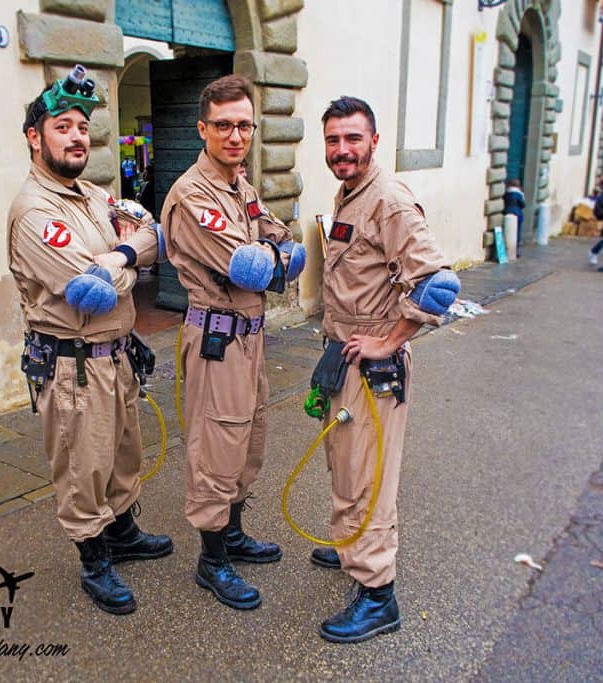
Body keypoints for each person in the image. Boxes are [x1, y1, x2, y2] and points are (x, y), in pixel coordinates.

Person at [7, 67, 172, 616]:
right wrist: (126, 260)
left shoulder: (95, 195)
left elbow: (152, 234)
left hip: (118, 356)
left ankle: (122, 533)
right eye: (62, 126)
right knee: (83, 466)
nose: (77, 136)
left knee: (124, 454)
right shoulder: (35, 211)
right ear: (36, 137)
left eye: (83, 127)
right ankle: (94, 560)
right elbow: (91, 294)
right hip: (73, 365)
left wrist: (121, 254)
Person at [310, 96, 458, 644]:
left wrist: (389, 340)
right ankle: (353, 547)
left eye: (353, 139)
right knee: (346, 466)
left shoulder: (389, 200)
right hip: (342, 356)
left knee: (368, 478)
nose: (342, 150)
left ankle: (378, 595)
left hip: (372, 369)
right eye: (333, 140)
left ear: (374, 141)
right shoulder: (352, 193)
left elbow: (437, 284)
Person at [160, 74, 306, 610]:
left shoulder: (240, 187)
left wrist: (274, 256)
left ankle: (235, 535)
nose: (235, 134)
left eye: (244, 124)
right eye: (223, 125)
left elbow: (287, 245)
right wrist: (272, 258)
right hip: (218, 340)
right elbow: (252, 268)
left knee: (249, 441)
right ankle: (211, 559)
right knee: (216, 448)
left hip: (251, 338)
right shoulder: (193, 194)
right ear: (203, 129)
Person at [502, 179, 524, 257]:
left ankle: (504, 250)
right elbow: (522, 205)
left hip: (506, 212)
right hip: (517, 214)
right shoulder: (519, 194)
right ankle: (514, 251)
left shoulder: (506, 194)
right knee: (517, 233)